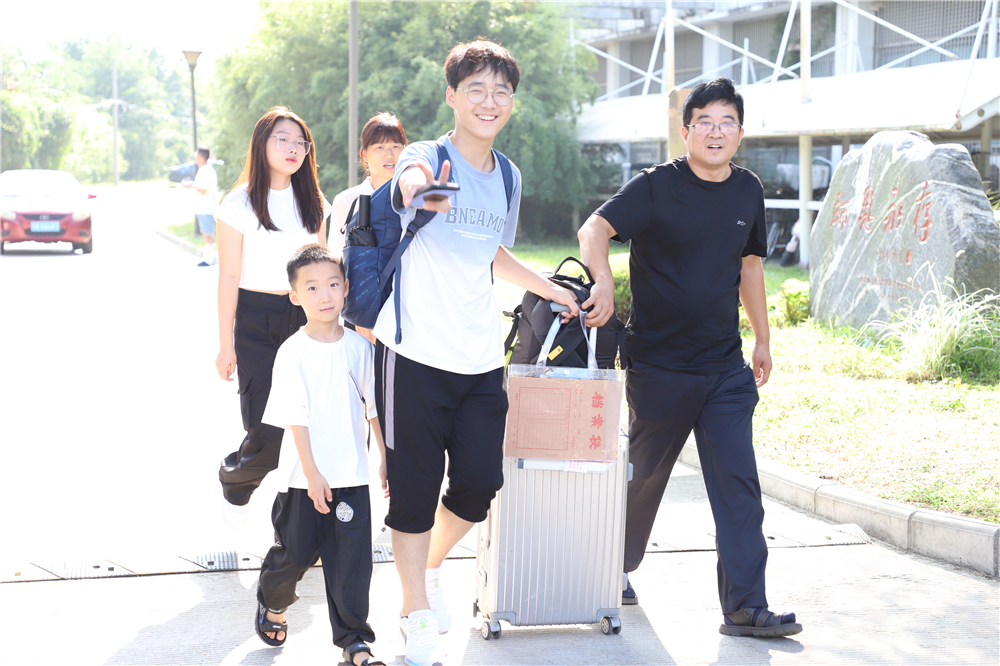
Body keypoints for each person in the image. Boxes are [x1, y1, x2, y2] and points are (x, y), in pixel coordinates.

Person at [374, 40, 578, 666]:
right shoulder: (426, 156)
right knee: (413, 491)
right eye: (476, 90)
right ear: (453, 97)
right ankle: (414, 610)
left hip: (481, 358)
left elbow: (490, 252)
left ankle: (428, 567)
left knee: (479, 484)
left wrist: (551, 288)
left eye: (501, 92)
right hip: (414, 353)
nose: (490, 102)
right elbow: (408, 185)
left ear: (511, 101)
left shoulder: (508, 176)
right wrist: (420, 189)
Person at [577, 77, 802, 638]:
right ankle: (607, 566)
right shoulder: (656, 186)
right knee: (644, 477)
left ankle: (745, 607)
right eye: (705, 122)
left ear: (740, 133)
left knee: (739, 487)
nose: (716, 132)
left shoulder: (747, 189)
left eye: (727, 122)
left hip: (724, 367)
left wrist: (763, 339)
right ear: (687, 131)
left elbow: (751, 266)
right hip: (659, 366)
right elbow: (594, 228)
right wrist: (602, 281)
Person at [254, 243, 387, 666]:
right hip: (302, 479)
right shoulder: (292, 353)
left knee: (352, 565)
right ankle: (273, 602)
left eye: (332, 284)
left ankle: (355, 643)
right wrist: (312, 474)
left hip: (351, 476)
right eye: (311, 287)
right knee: (293, 556)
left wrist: (384, 457)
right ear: (295, 296)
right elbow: (296, 418)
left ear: (346, 288)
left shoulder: (360, 348)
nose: (324, 295)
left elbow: (373, 408)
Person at [214, 106, 331, 527]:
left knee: (309, 427)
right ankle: (237, 477)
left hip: (304, 320)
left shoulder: (315, 202)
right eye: (283, 139)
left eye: (301, 142)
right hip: (256, 320)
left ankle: (299, 532)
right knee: (265, 427)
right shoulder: (239, 203)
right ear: (262, 143)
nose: (293, 148)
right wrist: (225, 345)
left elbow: (322, 270)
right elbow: (229, 276)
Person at [331, 112, 407, 344]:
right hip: (361, 312)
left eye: (396, 146)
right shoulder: (347, 200)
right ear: (364, 154)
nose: (389, 154)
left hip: (407, 309)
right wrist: (360, 313)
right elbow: (337, 263)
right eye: (380, 147)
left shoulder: (415, 199)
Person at [185, 147, 219, 266]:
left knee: (208, 234)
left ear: (200, 156)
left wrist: (192, 185)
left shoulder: (204, 170)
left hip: (205, 208)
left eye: (196, 155)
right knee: (208, 233)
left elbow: (203, 189)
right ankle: (209, 258)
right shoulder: (207, 169)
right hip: (207, 207)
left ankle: (208, 259)